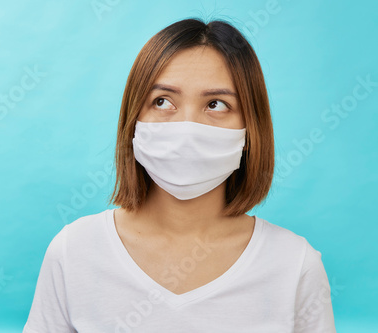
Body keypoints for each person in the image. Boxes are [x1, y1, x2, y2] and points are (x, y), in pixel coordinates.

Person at [23, 17, 337, 332]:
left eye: (216, 104)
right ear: (134, 120)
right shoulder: (74, 251)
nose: (187, 129)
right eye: (162, 102)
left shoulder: (295, 266)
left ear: (249, 130)